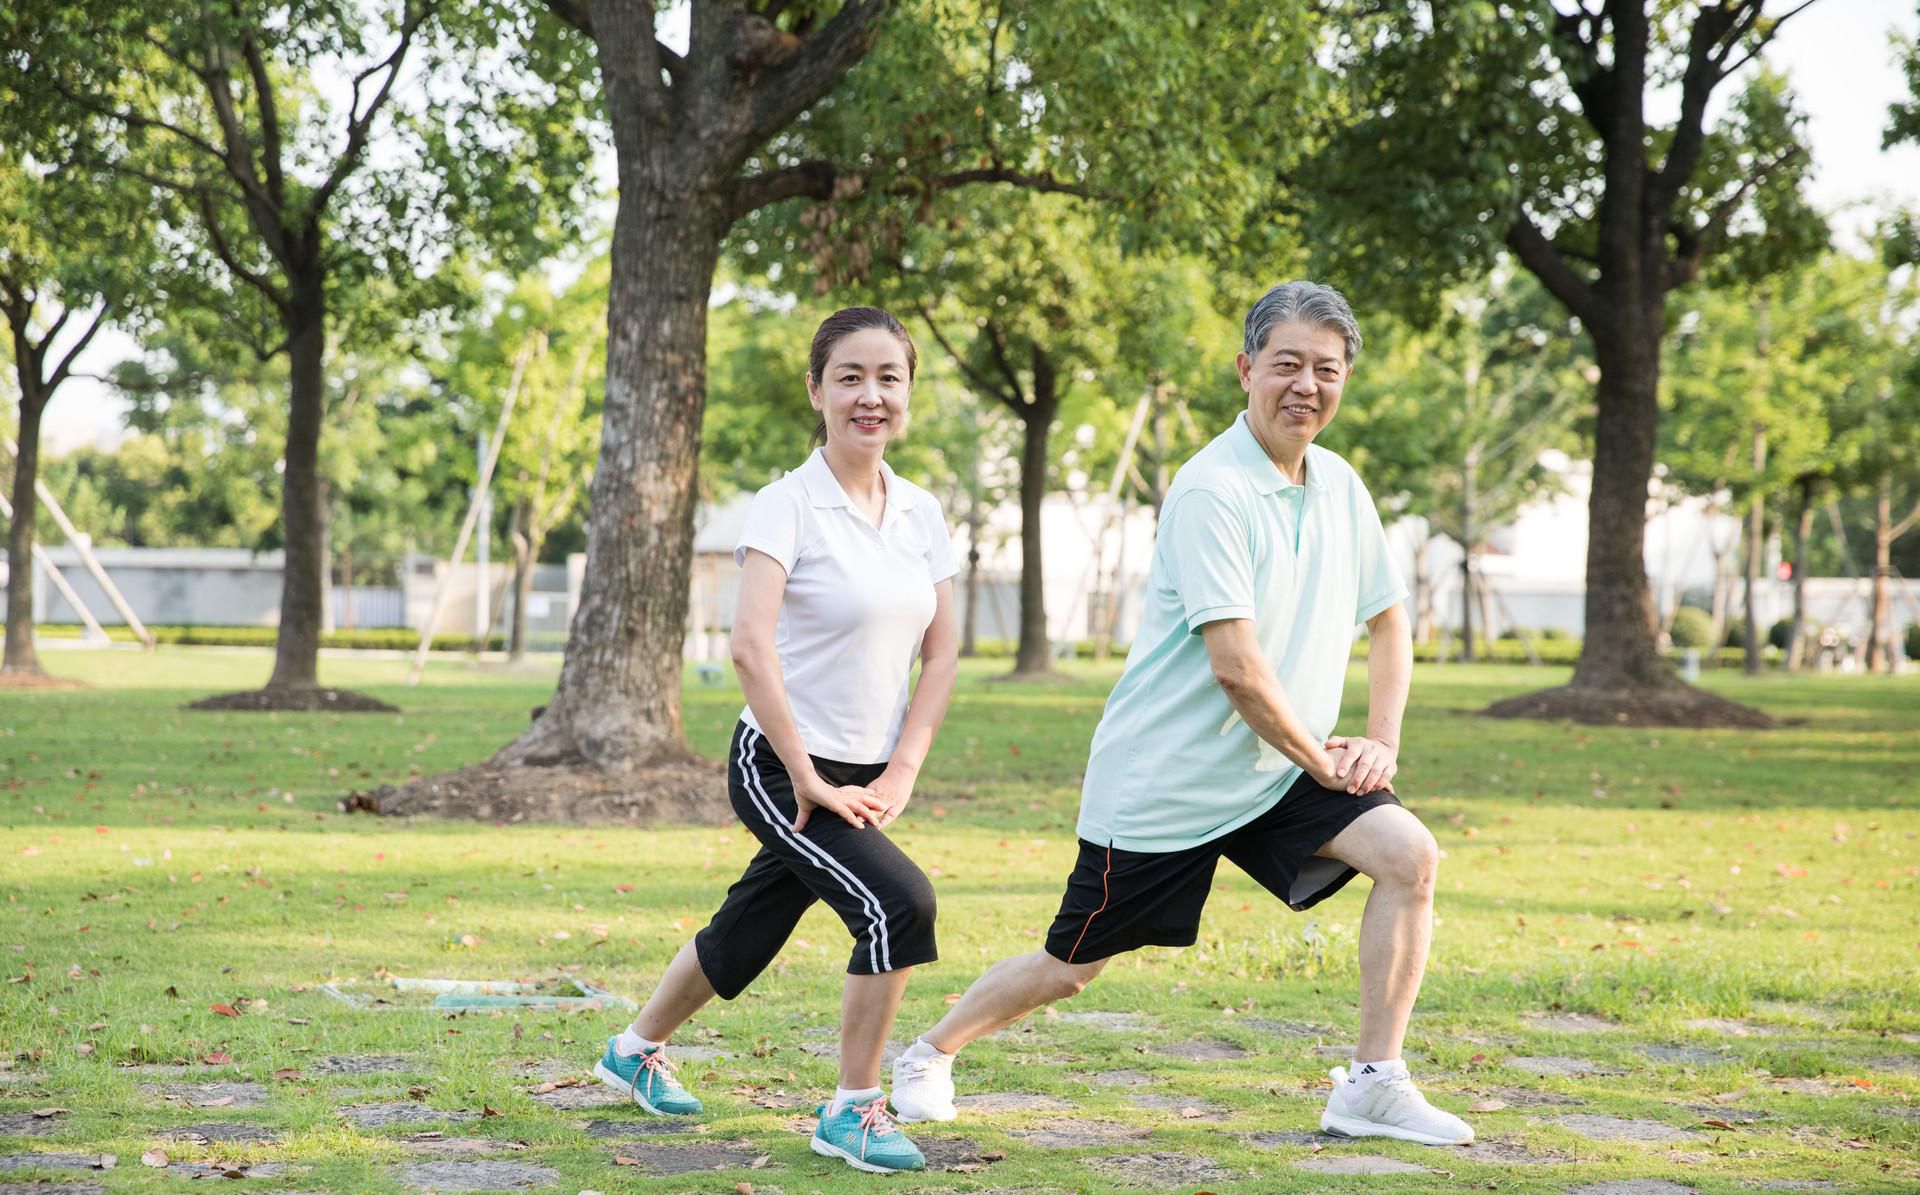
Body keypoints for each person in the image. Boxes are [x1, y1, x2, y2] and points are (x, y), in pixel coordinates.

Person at [889, 281, 1473, 1147]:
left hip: (1278, 769)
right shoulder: (1211, 490)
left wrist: (1378, 743)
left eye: (1326, 368)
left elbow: (1390, 619)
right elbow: (1236, 667)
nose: (1305, 384)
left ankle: (1373, 1084)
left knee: (1408, 854)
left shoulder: (1342, 485)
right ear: (1246, 369)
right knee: (1070, 967)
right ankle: (929, 1053)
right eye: (1286, 365)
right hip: (1167, 784)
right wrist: (1323, 757)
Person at [593, 306, 960, 1174]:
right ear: (817, 389)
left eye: (888, 378)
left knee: (753, 919)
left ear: (907, 391)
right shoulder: (787, 503)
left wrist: (904, 765)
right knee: (898, 905)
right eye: (850, 378)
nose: (870, 396)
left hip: (867, 772)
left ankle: (633, 1048)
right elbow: (749, 644)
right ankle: (853, 1108)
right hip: (780, 765)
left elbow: (942, 650)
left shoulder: (921, 512)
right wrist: (806, 776)